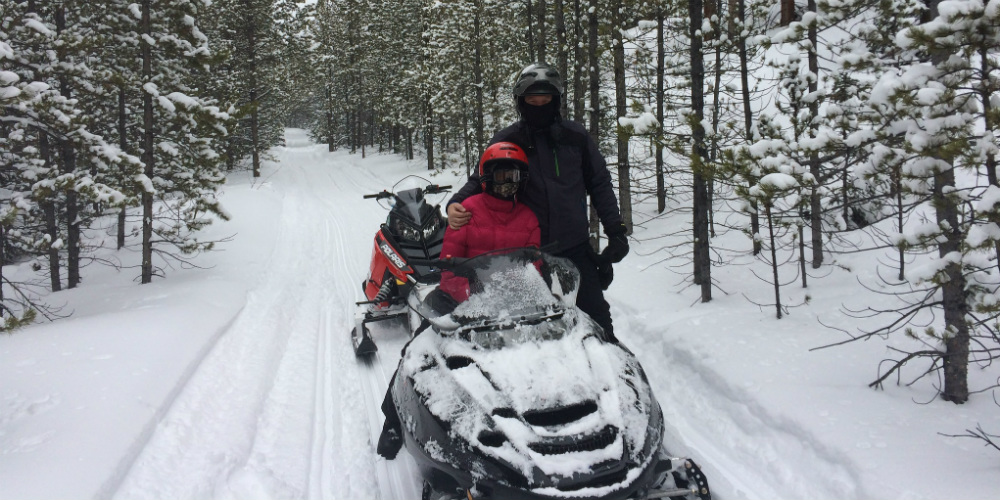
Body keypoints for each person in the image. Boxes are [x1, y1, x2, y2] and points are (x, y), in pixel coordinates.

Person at [377, 142, 539, 460]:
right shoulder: (466, 211)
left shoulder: (528, 216)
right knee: (418, 352)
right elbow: (450, 265)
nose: (507, 183)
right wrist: (476, 297)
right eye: (500, 176)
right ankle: (393, 420)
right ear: (486, 178)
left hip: (509, 301)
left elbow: (534, 265)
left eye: (513, 176)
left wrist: (522, 293)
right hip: (458, 297)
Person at [447, 62, 629, 342]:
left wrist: (615, 231)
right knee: (525, 329)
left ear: (557, 102)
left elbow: (600, 183)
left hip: (575, 249)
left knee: (599, 322)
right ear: (521, 103)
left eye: (546, 100)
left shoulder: (576, 137)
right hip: (525, 257)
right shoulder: (509, 140)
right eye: (533, 101)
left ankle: (613, 375)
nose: (539, 106)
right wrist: (456, 203)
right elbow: (481, 177)